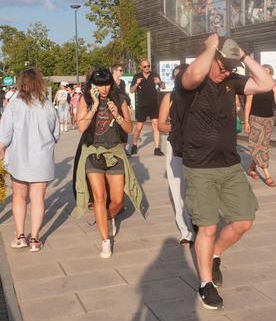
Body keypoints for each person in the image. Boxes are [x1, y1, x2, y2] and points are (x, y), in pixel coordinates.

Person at [176, 34, 274, 310]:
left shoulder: (232, 81)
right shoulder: (189, 83)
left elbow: (266, 83)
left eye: (232, 67)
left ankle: (216, 254)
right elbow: (195, 73)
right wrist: (211, 47)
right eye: (223, 64)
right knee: (206, 227)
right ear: (212, 57)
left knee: (244, 220)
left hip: (230, 165)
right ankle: (206, 283)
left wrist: (241, 56)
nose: (227, 70)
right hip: (200, 167)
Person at [72, 68, 144, 259]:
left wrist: (118, 116)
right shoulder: (85, 100)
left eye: (106, 84)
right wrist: (94, 106)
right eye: (99, 84)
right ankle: (105, 240)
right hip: (93, 153)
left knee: (118, 200)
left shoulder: (120, 100)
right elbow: (81, 127)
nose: (103, 89)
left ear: (111, 83)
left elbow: (128, 127)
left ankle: (108, 216)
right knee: (99, 198)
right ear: (93, 85)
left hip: (115, 153)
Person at [0, 68, 59, 252]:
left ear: (21, 84)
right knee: (38, 199)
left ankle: (20, 236)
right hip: (42, 159)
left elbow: (4, 135)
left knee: (19, 197)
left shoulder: (14, 106)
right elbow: (56, 134)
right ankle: (35, 239)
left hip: (19, 159)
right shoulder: (48, 106)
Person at [157, 64, 194, 246]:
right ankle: (186, 231)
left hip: (197, 146)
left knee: (197, 187)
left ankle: (199, 224)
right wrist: (179, 129)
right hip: (176, 144)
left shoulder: (198, 96)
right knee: (178, 188)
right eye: (176, 77)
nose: (179, 80)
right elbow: (161, 124)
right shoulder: (169, 97)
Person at [243, 64, 276, 186]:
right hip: (255, 119)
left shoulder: (272, 86)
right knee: (255, 146)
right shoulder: (253, 86)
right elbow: (248, 105)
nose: (265, 75)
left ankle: (251, 169)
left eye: (268, 73)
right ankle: (267, 175)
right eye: (263, 73)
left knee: (263, 146)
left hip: (269, 120)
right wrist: (246, 122)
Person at [130, 60, 166, 156]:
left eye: (148, 66)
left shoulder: (154, 75)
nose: (147, 68)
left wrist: (160, 82)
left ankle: (157, 148)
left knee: (155, 125)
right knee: (139, 127)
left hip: (153, 104)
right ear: (141, 67)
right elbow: (131, 90)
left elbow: (163, 87)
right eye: (145, 66)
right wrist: (137, 83)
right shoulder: (137, 76)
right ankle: (134, 145)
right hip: (141, 105)